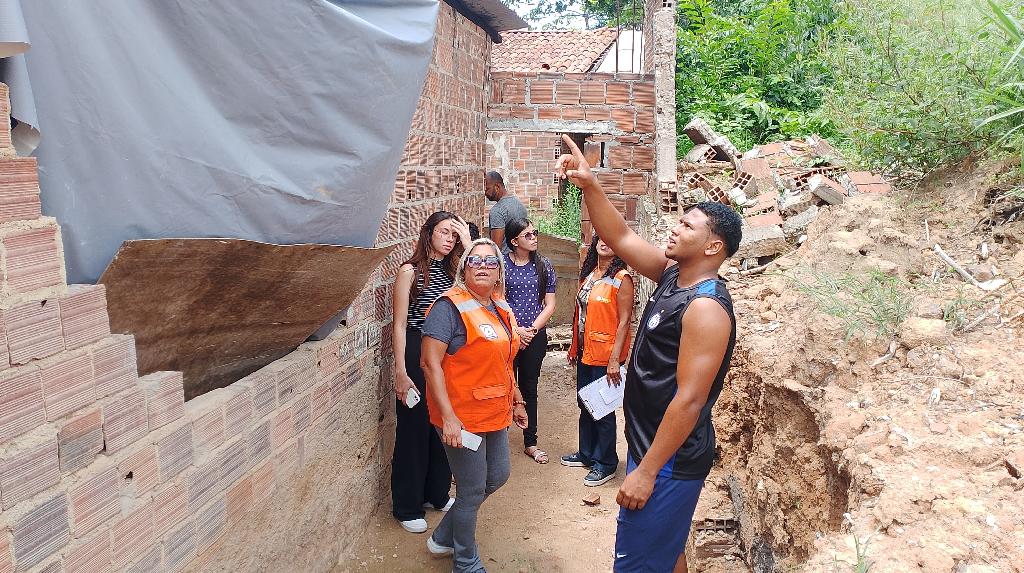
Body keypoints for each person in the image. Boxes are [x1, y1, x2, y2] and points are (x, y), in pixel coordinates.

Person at [557, 134, 742, 573]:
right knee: (667, 551)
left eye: (688, 227)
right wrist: (590, 185)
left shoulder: (705, 308)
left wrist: (646, 472)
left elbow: (690, 400)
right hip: (653, 446)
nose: (675, 229)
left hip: (669, 459)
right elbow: (620, 235)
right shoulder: (672, 275)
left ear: (713, 247)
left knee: (637, 563)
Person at [421, 238, 529, 572]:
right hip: (462, 416)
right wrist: (449, 419)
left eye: (490, 261)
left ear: (499, 272)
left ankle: (443, 537)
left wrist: (517, 399)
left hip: (494, 411)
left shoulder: (500, 307)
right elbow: (430, 364)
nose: (482, 266)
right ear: (464, 268)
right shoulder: (448, 308)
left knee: (498, 475)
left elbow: (504, 362)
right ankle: (465, 561)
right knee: (470, 489)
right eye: (475, 260)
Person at [390, 211, 471, 534]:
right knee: (413, 427)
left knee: (441, 422)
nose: (449, 239)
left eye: (454, 234)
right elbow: (398, 324)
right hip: (416, 348)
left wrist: (468, 244)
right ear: (429, 233)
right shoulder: (409, 272)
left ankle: (435, 493)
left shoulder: (455, 272)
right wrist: (400, 370)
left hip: (445, 354)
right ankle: (406, 505)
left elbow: (478, 284)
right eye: (444, 232)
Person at [561, 234, 634, 487]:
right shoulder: (590, 274)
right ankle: (587, 454)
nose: (604, 242)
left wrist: (615, 360)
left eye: (610, 239)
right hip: (586, 352)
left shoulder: (622, 279)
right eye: (600, 238)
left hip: (605, 357)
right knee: (585, 404)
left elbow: (624, 322)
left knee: (602, 409)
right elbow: (580, 316)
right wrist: (574, 347)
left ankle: (606, 463)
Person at [502, 217, 557, 464]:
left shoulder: (543, 265)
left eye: (535, 233)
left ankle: (530, 442)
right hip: (507, 334)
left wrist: (531, 331)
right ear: (514, 241)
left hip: (534, 336)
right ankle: (498, 440)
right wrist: (516, 330)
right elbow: (498, 301)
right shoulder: (502, 265)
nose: (534, 238)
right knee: (504, 385)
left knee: (529, 387)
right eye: (528, 235)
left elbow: (550, 304)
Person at [484, 171, 527, 251]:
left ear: (497, 187)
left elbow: (496, 248)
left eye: (487, 189)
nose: (485, 193)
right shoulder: (519, 203)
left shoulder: (497, 211)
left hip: (504, 257)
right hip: (520, 256)